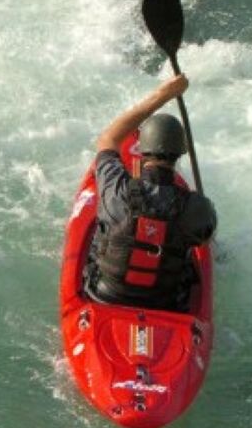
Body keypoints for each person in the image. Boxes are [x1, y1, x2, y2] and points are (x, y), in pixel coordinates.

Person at [86, 73, 217, 312]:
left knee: (100, 233)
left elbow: (109, 138)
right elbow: (206, 238)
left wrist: (164, 94)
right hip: (165, 304)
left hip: (107, 297)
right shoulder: (197, 208)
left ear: (143, 150)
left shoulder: (117, 189)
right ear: (180, 154)